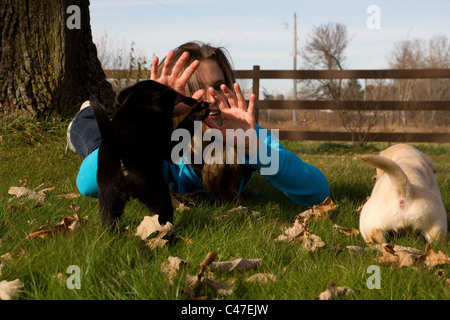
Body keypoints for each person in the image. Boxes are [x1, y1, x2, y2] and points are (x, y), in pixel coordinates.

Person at [67, 41, 329, 207]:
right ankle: (87, 115)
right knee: (97, 142)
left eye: (218, 87)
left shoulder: (246, 134)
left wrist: (257, 151)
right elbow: (89, 184)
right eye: (194, 89)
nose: (209, 98)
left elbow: (318, 192)